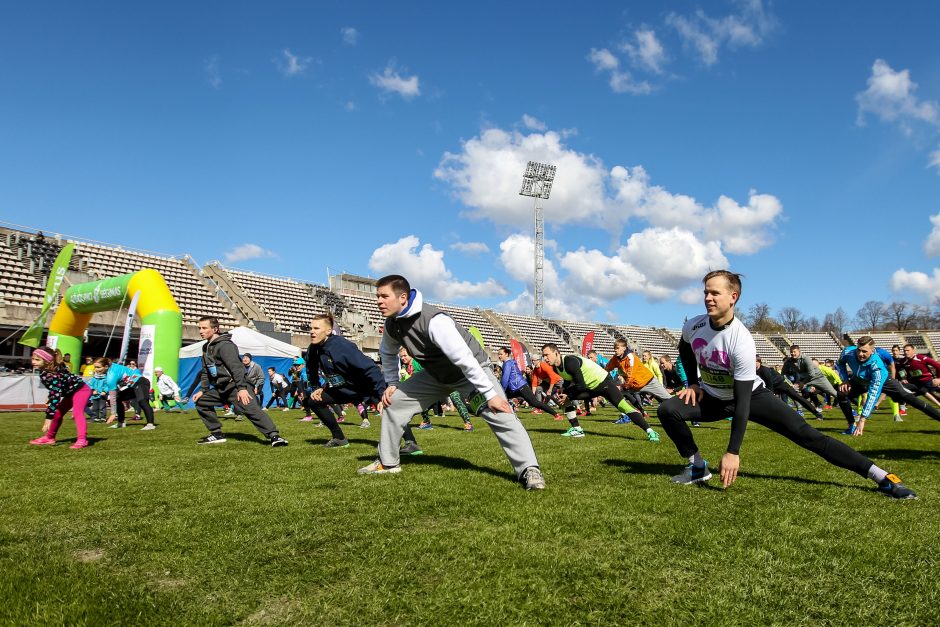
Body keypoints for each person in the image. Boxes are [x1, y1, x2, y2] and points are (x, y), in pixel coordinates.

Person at [656, 270, 916, 498]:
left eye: (715, 293)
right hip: (712, 396)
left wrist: (732, 451)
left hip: (750, 398)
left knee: (808, 436)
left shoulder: (741, 340)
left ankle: (880, 476)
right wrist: (692, 384)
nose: (708, 298)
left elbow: (742, 402)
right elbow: (685, 348)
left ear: (733, 297)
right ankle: (697, 466)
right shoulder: (695, 324)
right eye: (705, 293)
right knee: (668, 410)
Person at [359, 275, 544, 490]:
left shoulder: (435, 321)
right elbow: (387, 353)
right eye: (377, 296)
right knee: (394, 403)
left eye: (384, 296)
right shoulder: (392, 324)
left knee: (501, 413)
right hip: (436, 376)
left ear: (402, 298)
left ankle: (529, 469)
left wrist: (490, 395)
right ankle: (388, 463)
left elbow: (465, 360)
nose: (378, 301)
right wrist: (392, 383)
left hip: (470, 372)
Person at [303, 313, 416, 448]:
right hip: (343, 388)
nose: (312, 332)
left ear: (328, 331)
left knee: (388, 408)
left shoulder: (341, 346)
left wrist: (380, 395)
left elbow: (371, 369)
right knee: (313, 401)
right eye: (311, 328)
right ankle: (339, 438)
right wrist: (316, 387)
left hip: (366, 387)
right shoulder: (313, 348)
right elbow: (311, 368)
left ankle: (411, 443)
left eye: (316, 328)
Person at [191, 316, 287, 447]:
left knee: (252, 410)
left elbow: (236, 368)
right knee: (201, 401)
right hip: (221, 389)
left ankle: (275, 437)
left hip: (236, 387)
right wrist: (203, 390)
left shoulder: (225, 345)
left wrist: (242, 388)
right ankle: (216, 434)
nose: (201, 331)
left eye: (204, 328)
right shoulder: (205, 348)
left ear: (215, 329)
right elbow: (205, 371)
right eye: (199, 328)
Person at [540, 342, 661, 442]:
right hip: (590, 387)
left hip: (604, 383)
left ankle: (650, 431)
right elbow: (569, 378)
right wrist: (564, 390)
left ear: (556, 353)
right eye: (543, 355)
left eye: (547, 355)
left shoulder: (569, 361)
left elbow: (580, 385)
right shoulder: (555, 367)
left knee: (624, 407)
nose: (545, 358)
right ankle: (577, 429)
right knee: (564, 399)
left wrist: (568, 394)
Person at [835, 336, 940, 436]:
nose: (860, 354)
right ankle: (851, 426)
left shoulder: (877, 366)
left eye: (864, 351)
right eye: (859, 350)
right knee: (841, 393)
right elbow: (839, 363)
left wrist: (862, 419)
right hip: (859, 379)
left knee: (911, 399)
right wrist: (845, 379)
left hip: (885, 381)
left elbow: (873, 394)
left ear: (872, 351)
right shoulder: (848, 352)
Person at [28, 348, 91, 449]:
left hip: (81, 390)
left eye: (37, 359)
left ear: (47, 361)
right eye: (33, 359)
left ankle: (82, 439)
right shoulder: (44, 371)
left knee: (77, 413)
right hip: (70, 393)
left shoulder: (55, 374)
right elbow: (54, 389)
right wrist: (50, 397)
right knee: (57, 413)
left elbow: (56, 394)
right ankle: (49, 438)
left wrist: (48, 418)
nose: (33, 362)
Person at [89, 357, 156, 430]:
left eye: (98, 367)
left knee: (142, 401)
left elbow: (112, 396)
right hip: (132, 386)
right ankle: (121, 422)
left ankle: (150, 424)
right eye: (95, 367)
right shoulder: (111, 365)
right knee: (119, 398)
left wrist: (113, 414)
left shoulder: (111, 376)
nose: (96, 370)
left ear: (106, 367)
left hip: (141, 382)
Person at [498, 347, 562, 420]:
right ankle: (510, 408)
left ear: (506, 354)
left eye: (501, 354)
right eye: (498, 354)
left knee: (535, 403)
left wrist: (502, 389)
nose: (499, 356)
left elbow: (505, 378)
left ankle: (556, 415)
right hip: (515, 388)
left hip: (520, 387)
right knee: (501, 397)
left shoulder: (508, 363)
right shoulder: (509, 363)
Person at [755, 357, 824, 420]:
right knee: (779, 403)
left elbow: (769, 383)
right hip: (774, 387)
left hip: (782, 384)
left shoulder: (764, 370)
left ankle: (817, 413)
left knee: (798, 398)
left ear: (758, 362)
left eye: (754, 361)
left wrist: (771, 394)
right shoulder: (754, 371)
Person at [781, 345, 839, 410]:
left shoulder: (806, 358)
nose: (793, 353)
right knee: (794, 390)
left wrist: (802, 383)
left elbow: (811, 374)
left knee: (834, 393)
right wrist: (790, 384)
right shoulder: (789, 361)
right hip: (805, 380)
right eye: (791, 352)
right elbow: (783, 374)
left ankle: (850, 409)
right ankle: (800, 410)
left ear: (799, 351)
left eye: (794, 352)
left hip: (818, 378)